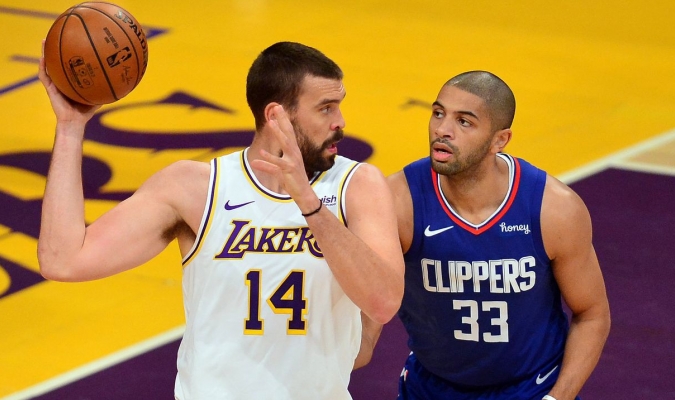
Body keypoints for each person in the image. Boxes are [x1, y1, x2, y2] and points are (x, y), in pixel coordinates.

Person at [36, 41, 404, 399]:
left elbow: (384, 302)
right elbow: (62, 260)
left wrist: (308, 203)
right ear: (276, 116)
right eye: (326, 109)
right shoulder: (195, 187)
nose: (340, 122)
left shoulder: (356, 186)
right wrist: (70, 127)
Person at [383, 71, 611, 400]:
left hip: (531, 387)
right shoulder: (398, 201)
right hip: (431, 387)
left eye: (464, 121)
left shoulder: (554, 209)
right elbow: (364, 302)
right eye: (438, 113)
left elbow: (592, 313)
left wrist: (557, 398)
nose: (442, 130)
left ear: (499, 140)